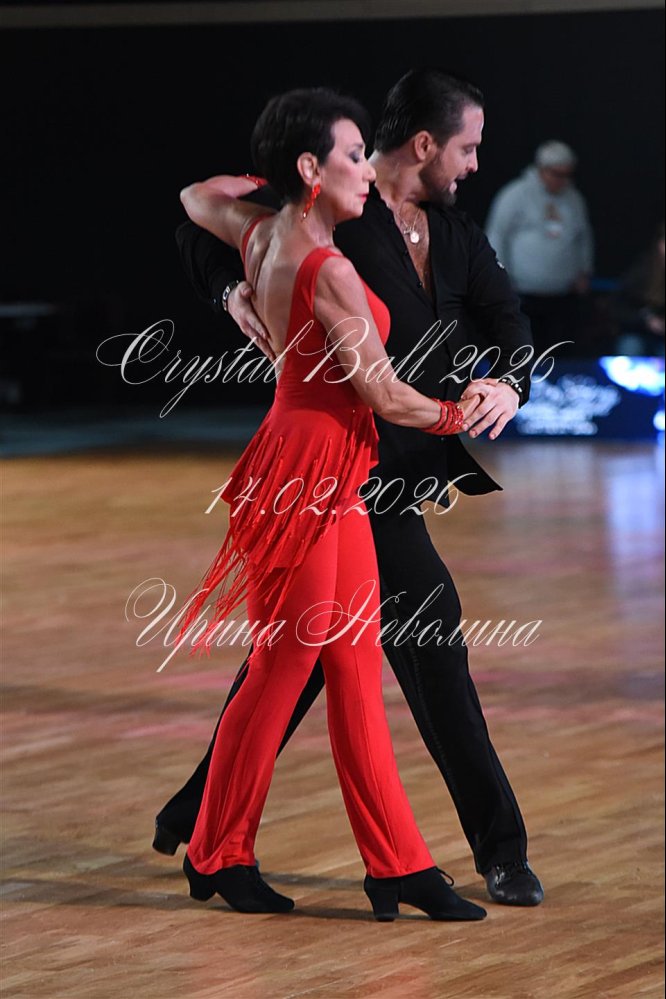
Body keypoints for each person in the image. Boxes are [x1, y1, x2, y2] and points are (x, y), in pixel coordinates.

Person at [156, 69, 545, 908]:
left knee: (334, 661)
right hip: (318, 467)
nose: (364, 168)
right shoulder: (330, 248)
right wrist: (459, 414)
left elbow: (506, 318)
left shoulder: (421, 231)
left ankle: (378, 859)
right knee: (306, 658)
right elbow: (384, 394)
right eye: (350, 154)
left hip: (355, 473)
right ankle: (224, 842)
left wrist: (509, 383)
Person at [485, 140, 594, 355]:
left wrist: (584, 270)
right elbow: (497, 235)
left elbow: (584, 237)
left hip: (563, 296)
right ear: (541, 169)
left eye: (567, 175)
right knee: (524, 352)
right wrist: (501, 277)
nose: (562, 180)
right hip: (522, 295)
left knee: (560, 353)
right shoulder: (515, 194)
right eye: (557, 174)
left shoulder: (574, 198)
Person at [612, 221, 665, 355]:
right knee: (630, 347)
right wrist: (646, 319)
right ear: (659, 244)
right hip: (637, 333)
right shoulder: (642, 270)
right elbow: (619, 308)